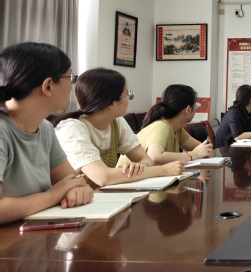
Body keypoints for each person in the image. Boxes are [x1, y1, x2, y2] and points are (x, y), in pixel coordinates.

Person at [0, 42, 93, 224]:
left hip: (37, 234)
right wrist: (53, 195)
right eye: (70, 77)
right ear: (48, 86)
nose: (72, 86)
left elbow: (72, 181)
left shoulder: (45, 128)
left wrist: (79, 190)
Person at [53, 68, 184, 188]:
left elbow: (146, 159)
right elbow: (103, 177)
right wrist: (163, 170)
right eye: (127, 94)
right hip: (72, 203)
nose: (129, 99)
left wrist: (140, 166)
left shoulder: (116, 121)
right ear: (111, 103)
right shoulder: (71, 128)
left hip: (101, 197)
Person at [135, 84, 213, 165]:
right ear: (188, 109)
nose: (196, 110)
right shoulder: (161, 126)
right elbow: (154, 157)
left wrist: (205, 150)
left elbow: (200, 148)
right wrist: (193, 154)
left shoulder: (177, 129)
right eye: (195, 106)